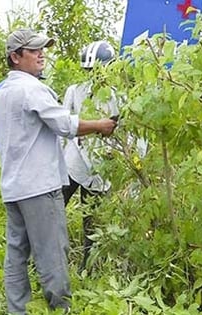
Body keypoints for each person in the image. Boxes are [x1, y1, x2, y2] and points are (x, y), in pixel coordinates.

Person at [0, 29, 117, 314]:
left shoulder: (2, 94)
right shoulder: (32, 89)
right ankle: (61, 309)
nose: (41, 54)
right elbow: (64, 125)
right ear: (15, 57)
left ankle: (17, 309)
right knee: (52, 256)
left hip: (13, 187)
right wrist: (100, 126)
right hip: (39, 188)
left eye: (41, 49)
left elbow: (0, 138)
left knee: (16, 255)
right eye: (34, 51)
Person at [61, 40, 118, 273]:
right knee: (54, 209)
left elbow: (121, 131)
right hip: (72, 161)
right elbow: (64, 124)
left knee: (91, 220)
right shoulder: (74, 91)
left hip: (99, 166)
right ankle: (48, 258)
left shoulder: (116, 96)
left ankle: (88, 268)